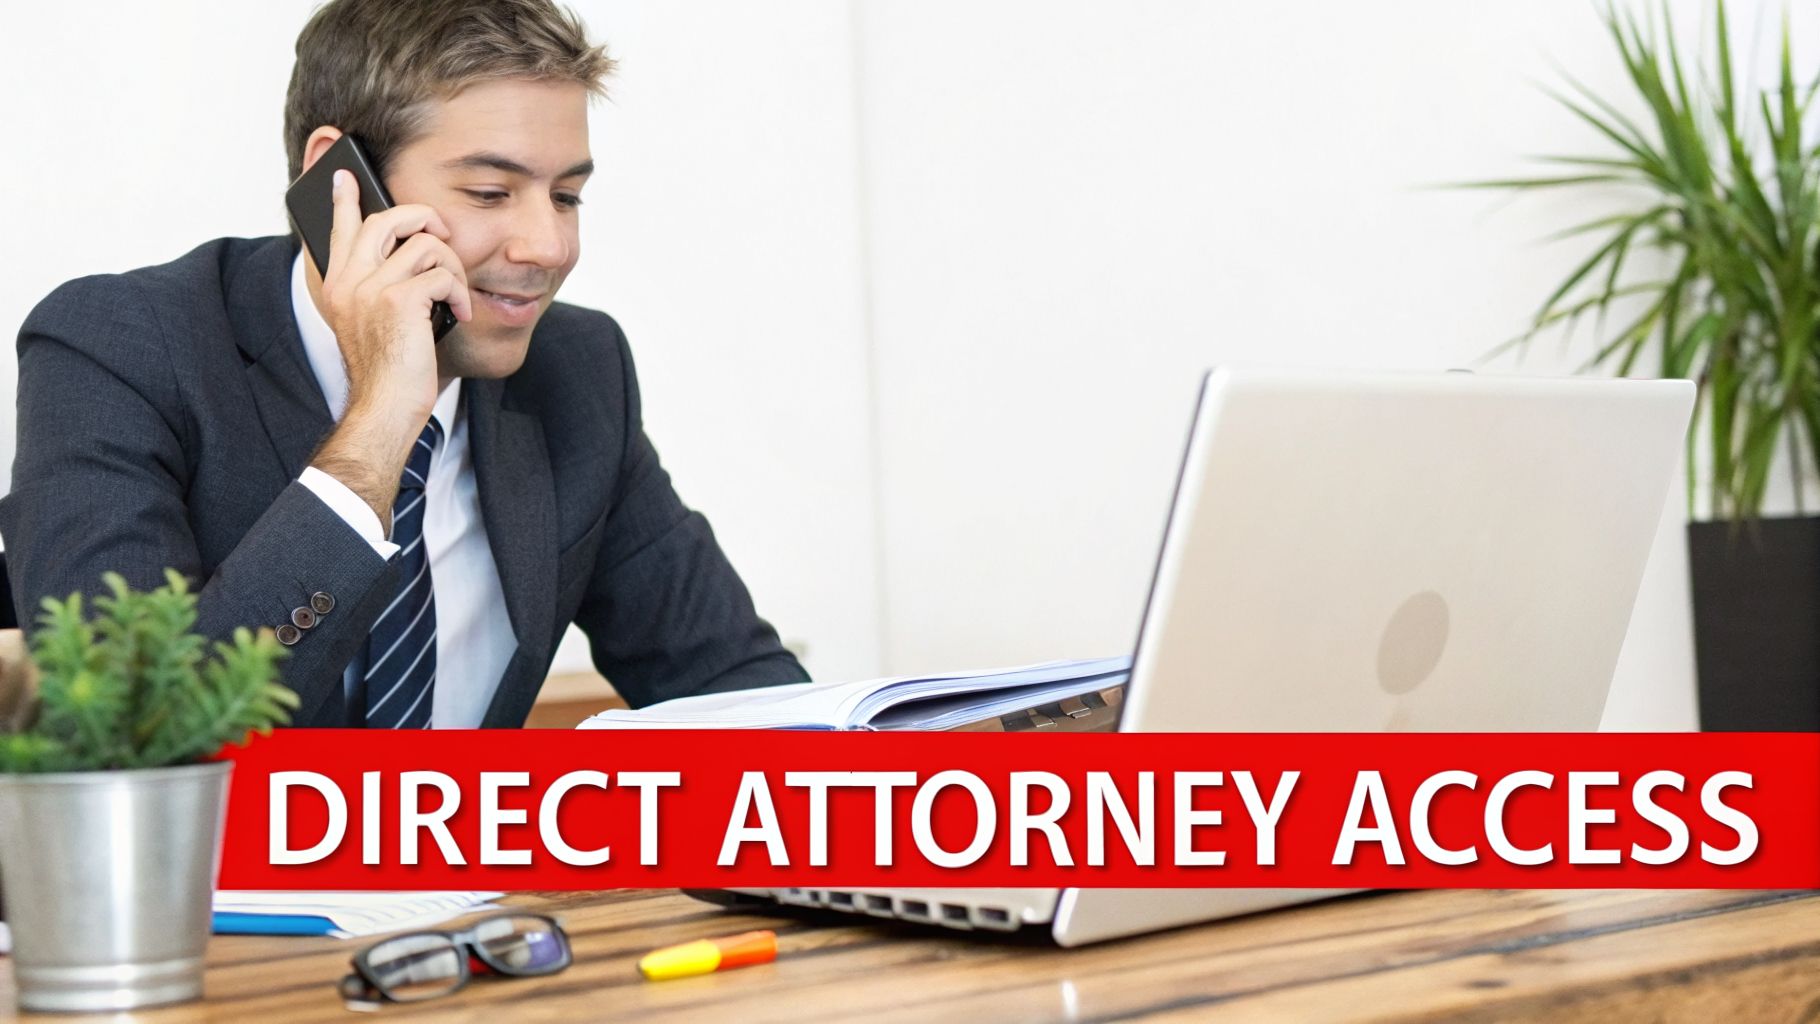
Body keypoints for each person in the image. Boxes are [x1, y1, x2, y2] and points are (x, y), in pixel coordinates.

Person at [0, 0, 808, 727]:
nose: (550, 246)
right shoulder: (119, 347)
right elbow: (130, 731)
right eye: (490, 193)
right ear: (340, 182)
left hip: (466, 856)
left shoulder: (579, 370)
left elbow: (737, 688)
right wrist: (382, 422)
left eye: (566, 196)